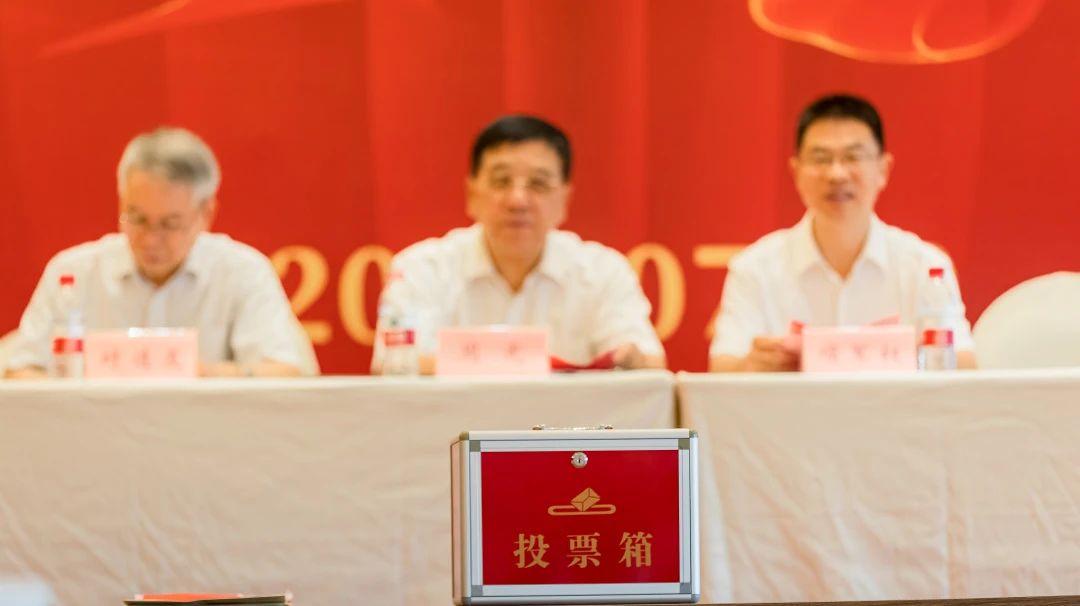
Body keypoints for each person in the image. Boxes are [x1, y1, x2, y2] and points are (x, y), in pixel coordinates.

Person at [4, 127, 313, 378]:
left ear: (206, 214)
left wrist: (197, 375)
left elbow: (285, 372)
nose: (151, 240)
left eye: (170, 224)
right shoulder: (73, 274)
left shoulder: (243, 272)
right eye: (137, 219)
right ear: (121, 200)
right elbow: (19, 371)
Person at [372, 114, 665, 374]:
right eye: (501, 181)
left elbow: (649, 364)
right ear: (471, 193)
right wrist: (525, 365)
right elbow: (393, 364)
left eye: (538, 184)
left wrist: (630, 360)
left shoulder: (603, 272)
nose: (518, 200)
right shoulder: (422, 269)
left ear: (564, 199)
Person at [709, 94, 976, 372]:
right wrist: (752, 366)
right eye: (820, 158)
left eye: (853, 157)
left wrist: (913, 357)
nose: (836, 174)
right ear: (796, 171)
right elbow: (722, 367)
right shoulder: (755, 268)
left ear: (883, 169)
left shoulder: (925, 266)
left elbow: (966, 364)